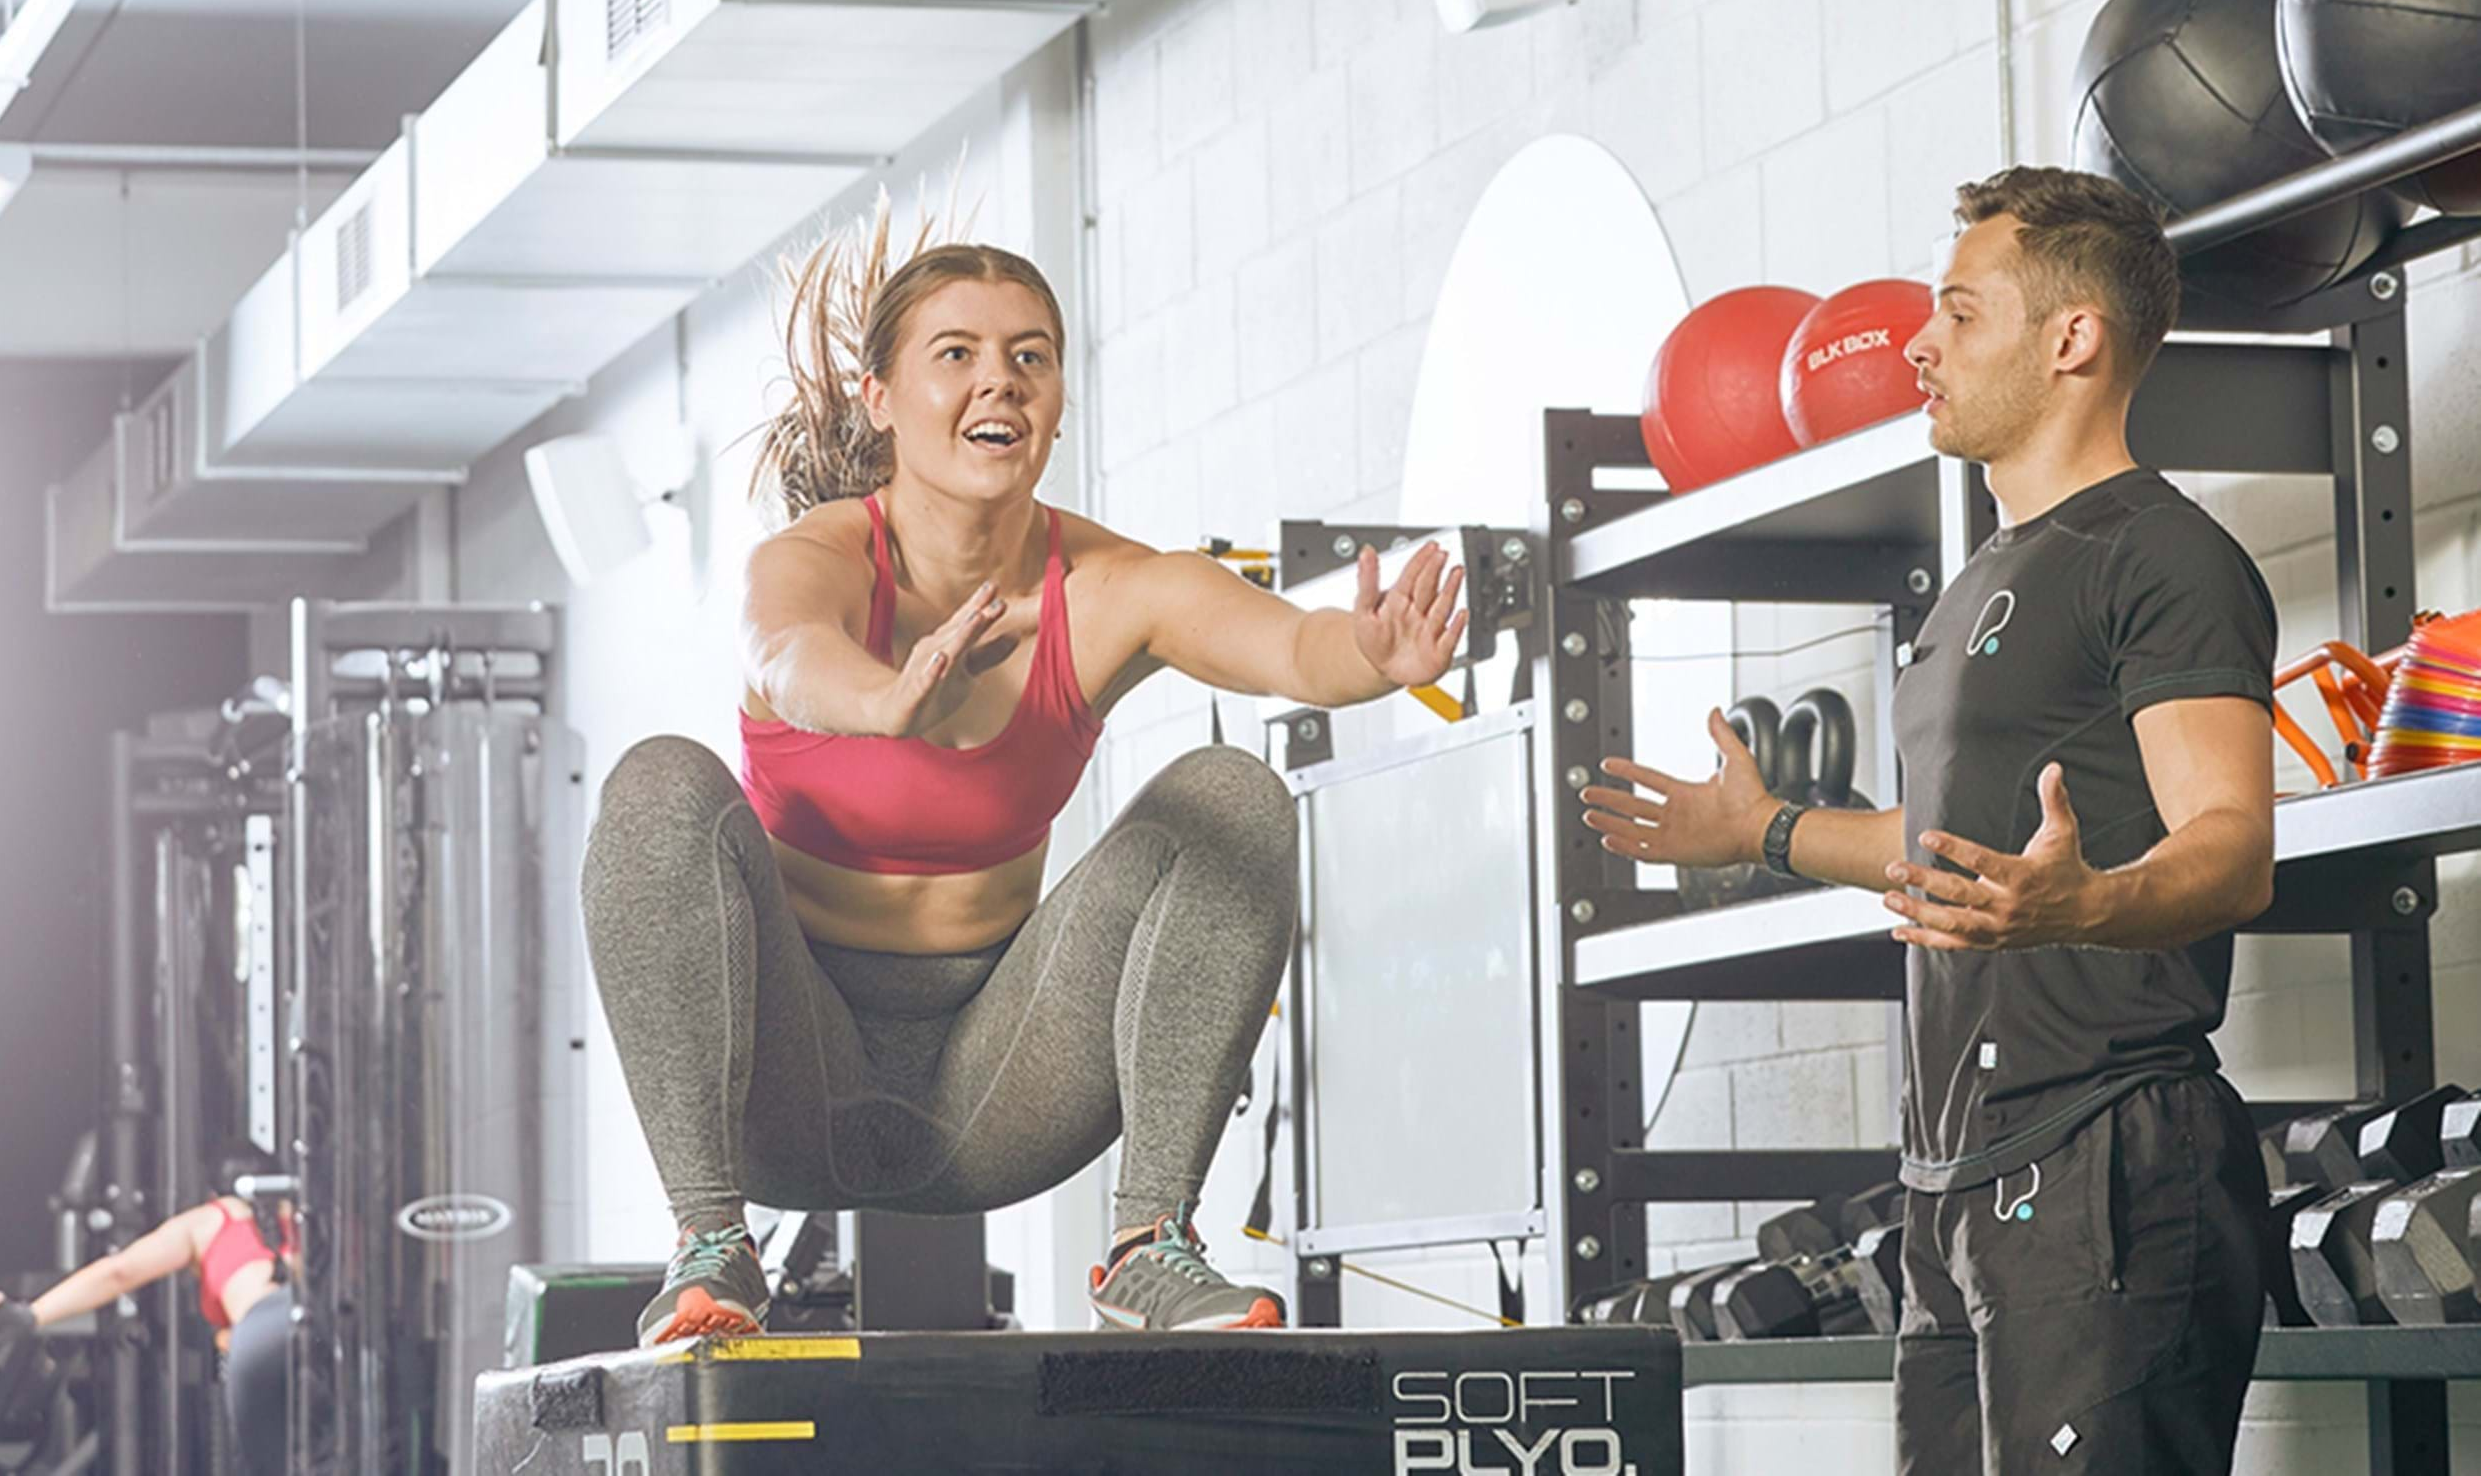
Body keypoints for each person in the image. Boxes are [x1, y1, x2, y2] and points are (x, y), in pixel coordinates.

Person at [585, 200, 1467, 1344]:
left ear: (1053, 403)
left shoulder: (1106, 587)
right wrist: (887, 699)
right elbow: (786, 656)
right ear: (881, 398)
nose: (998, 383)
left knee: (1229, 795)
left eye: (1028, 359)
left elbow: (1287, 645)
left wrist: (1369, 653)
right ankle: (710, 1243)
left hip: (999, 1085)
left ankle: (1151, 1245)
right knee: (659, 784)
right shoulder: (811, 561)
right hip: (783, 1077)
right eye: (956, 355)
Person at [1581, 166, 2277, 1472]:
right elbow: (1948, 850)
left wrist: (2088, 901)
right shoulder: (1977, 586)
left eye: (1960, 313)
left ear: (2072, 338)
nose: (1917, 342)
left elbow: (2234, 843)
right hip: (1951, 1178)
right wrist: (1768, 829)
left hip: (2105, 1156)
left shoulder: (2164, 555)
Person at [0, 1170, 298, 1474]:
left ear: (214, 1191)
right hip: (313, 1327)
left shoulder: (209, 1218)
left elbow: (120, 1272)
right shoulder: (304, 1215)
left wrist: (32, 1314)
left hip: (258, 1335)